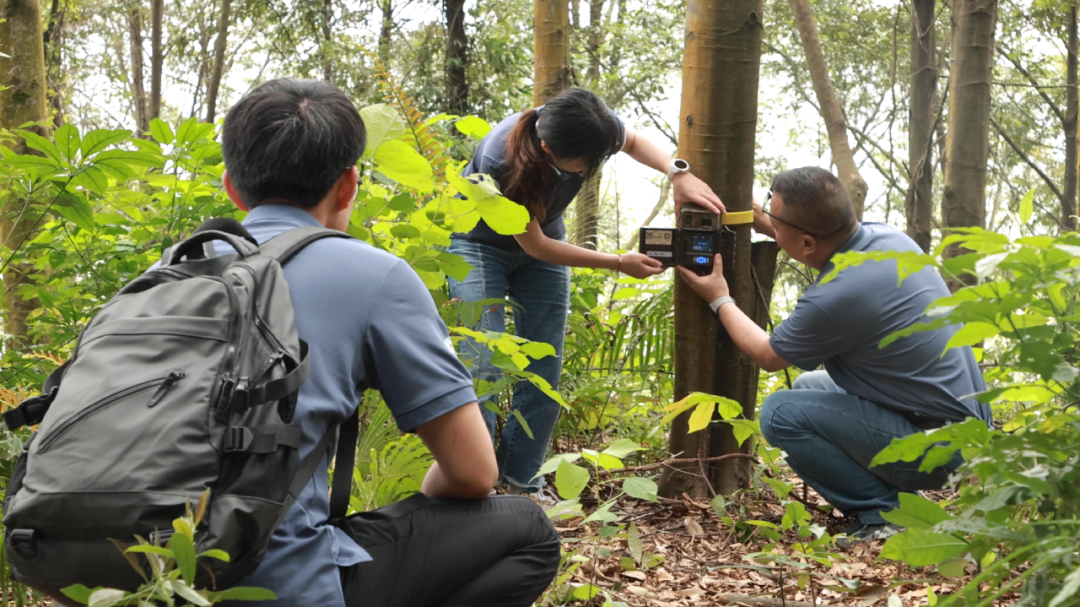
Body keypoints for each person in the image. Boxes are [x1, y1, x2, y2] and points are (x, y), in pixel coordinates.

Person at [214, 78, 560, 606]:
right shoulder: (374, 275)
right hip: (275, 582)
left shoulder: (161, 277)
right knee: (528, 532)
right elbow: (473, 474)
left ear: (231, 188)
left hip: (113, 574)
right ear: (349, 185)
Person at [678, 167, 990, 546]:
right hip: (963, 427)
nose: (771, 226)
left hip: (943, 449)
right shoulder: (888, 238)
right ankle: (900, 503)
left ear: (807, 243)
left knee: (780, 413)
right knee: (811, 385)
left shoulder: (838, 294)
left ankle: (886, 515)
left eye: (776, 224)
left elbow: (766, 353)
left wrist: (718, 296)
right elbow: (815, 240)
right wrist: (770, 224)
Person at [448, 88, 725, 494]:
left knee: (545, 367)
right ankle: (478, 485)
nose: (585, 171)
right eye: (580, 165)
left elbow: (630, 141)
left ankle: (521, 481)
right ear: (546, 148)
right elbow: (536, 246)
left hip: (545, 234)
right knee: (482, 365)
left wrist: (677, 173)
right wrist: (618, 262)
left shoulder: (589, 126)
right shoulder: (501, 160)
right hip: (479, 244)